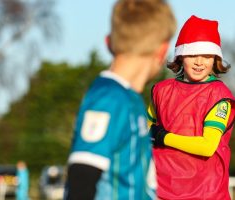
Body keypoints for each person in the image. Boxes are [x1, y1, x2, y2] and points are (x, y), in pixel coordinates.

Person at [64, 0, 176, 199]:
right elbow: (82, 180)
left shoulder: (130, 99)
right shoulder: (108, 99)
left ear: (109, 43)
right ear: (162, 51)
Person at [148, 15, 235, 200]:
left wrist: (163, 137)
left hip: (205, 193)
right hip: (160, 190)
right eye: (192, 54)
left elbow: (207, 146)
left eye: (206, 56)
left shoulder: (219, 96)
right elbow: (146, 130)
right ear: (180, 56)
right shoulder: (160, 90)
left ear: (215, 59)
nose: (199, 62)